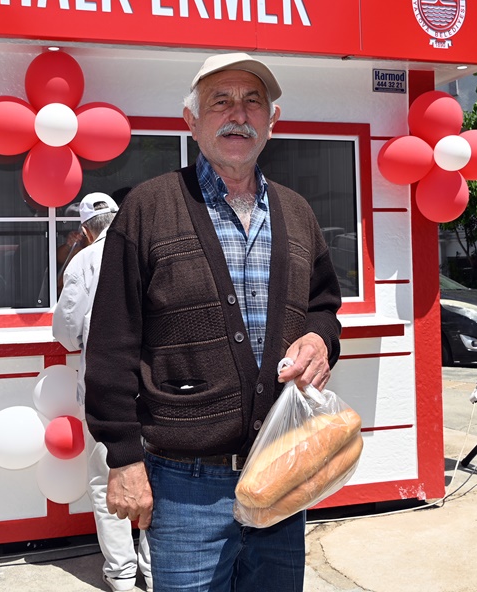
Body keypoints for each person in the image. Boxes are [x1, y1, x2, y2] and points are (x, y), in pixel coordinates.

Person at [83, 53, 342, 591]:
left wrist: (320, 339)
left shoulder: (297, 213)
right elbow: (111, 344)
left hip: (281, 470)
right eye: (220, 102)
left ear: (272, 121)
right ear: (191, 121)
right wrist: (123, 458)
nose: (237, 115)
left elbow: (323, 306)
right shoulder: (147, 209)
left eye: (252, 102)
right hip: (185, 485)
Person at [52, 192, 153, 592]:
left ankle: (122, 573)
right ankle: (156, 571)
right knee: (160, 477)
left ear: (85, 230)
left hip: (103, 390)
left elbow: (65, 334)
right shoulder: (146, 251)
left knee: (104, 479)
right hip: (154, 387)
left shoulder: (83, 261)